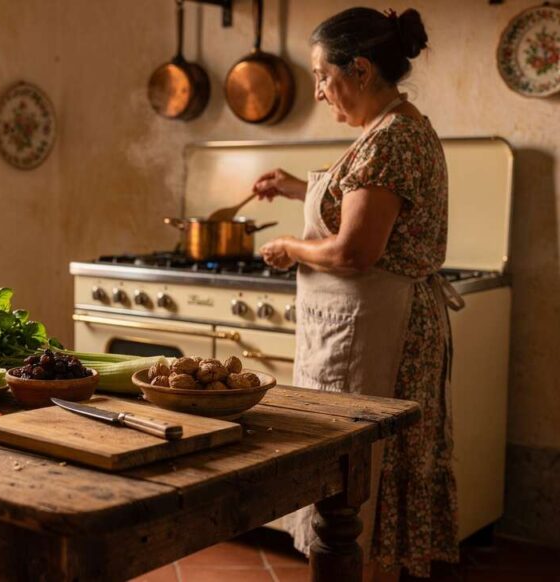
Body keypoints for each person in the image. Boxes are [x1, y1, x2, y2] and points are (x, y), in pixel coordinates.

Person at [254, 7, 463, 580]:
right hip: (366, 325)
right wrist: (295, 186)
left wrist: (292, 247)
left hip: (383, 334)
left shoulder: (391, 140)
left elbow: (354, 252)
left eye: (323, 75)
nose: (320, 91)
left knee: (360, 479)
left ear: (362, 70)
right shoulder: (388, 131)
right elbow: (358, 198)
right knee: (352, 472)